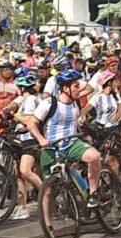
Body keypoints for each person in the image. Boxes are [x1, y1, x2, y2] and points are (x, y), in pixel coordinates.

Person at [26, 69, 103, 209]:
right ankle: (48, 226)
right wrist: (41, 140)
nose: (79, 88)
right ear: (65, 88)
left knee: (94, 156)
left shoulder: (76, 101)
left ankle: (93, 194)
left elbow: (90, 88)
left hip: (72, 143)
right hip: (51, 147)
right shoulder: (49, 103)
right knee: (49, 191)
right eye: (75, 86)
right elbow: (31, 123)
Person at [10, 72, 45, 220]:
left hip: (30, 139)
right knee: (19, 173)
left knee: (25, 171)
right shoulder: (27, 99)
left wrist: (16, 116)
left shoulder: (30, 99)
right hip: (21, 138)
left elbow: (29, 120)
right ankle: (22, 206)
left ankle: (46, 193)